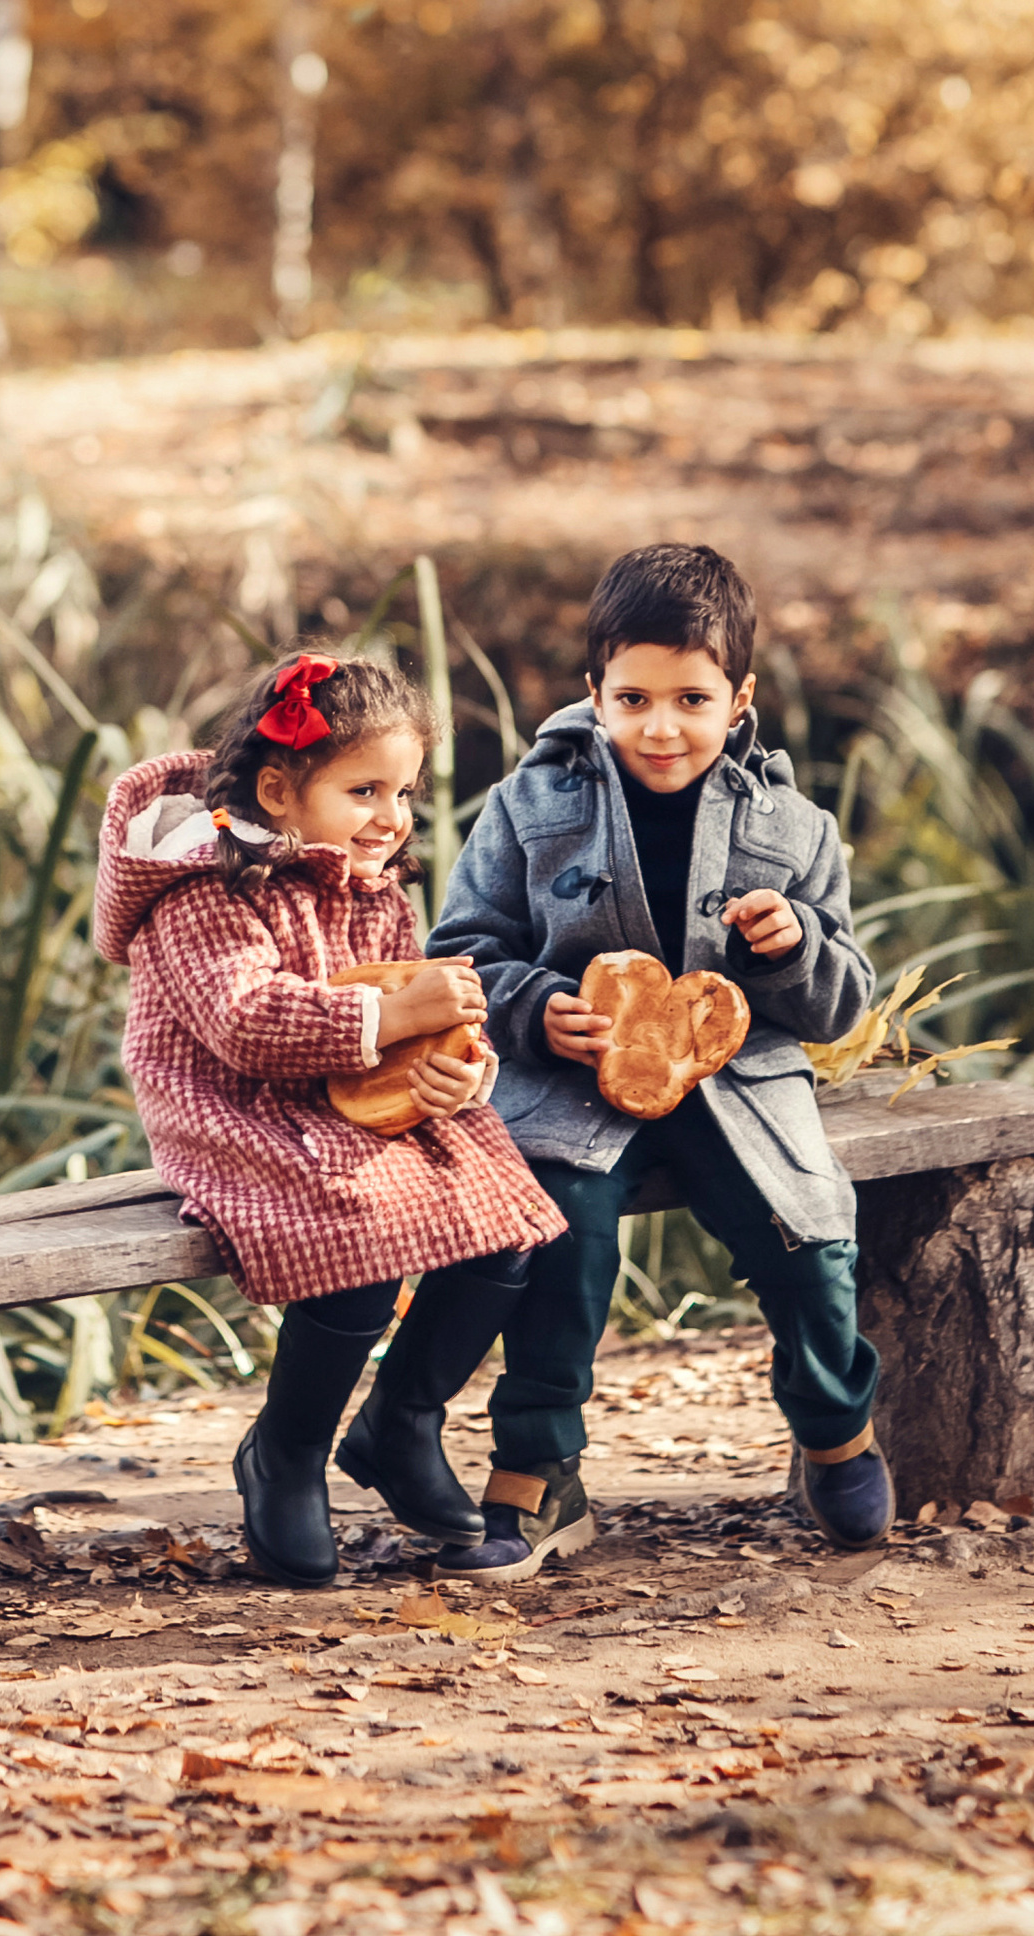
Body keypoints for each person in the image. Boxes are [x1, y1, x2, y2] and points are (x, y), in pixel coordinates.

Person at [392, 540, 891, 1576]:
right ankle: (536, 1476)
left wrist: (793, 944)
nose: (660, 727)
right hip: (573, 1085)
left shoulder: (794, 829)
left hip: (738, 1084)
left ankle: (835, 1426)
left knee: (808, 1238)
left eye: (692, 701)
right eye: (632, 699)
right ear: (593, 693)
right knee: (557, 1235)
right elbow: (461, 951)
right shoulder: (529, 808)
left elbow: (844, 999)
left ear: (739, 697)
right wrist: (537, 1010)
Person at [94, 647, 566, 1589]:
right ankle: (289, 1452)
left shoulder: (372, 884)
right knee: (358, 1236)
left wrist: (454, 1071)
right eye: (364, 791)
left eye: (406, 793)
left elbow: (417, 1012)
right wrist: (396, 1016)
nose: (391, 818)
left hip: (350, 1099)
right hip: (237, 1111)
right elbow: (244, 1023)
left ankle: (401, 1420)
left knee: (507, 1219)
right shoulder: (203, 888)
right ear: (279, 788)